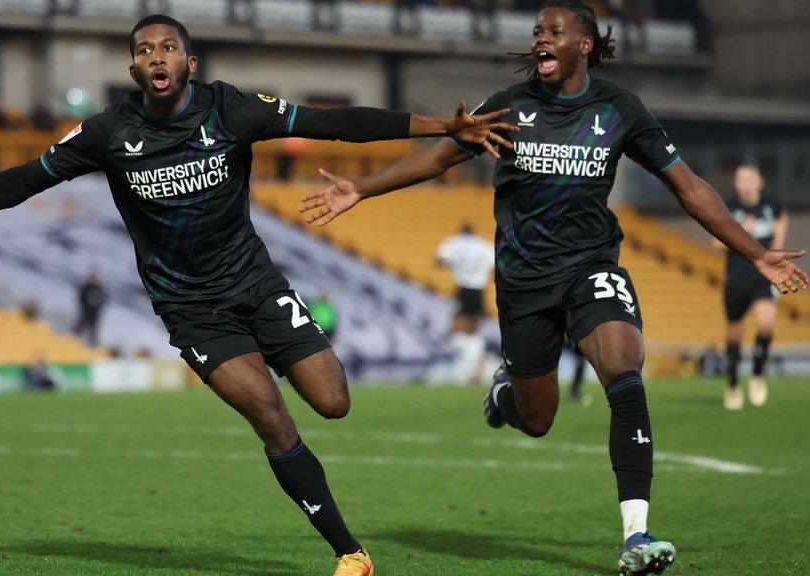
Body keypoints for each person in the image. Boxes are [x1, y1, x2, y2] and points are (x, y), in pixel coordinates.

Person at [0, 14, 513, 576]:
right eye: (143, 51)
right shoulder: (107, 133)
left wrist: (435, 125)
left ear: (188, 63)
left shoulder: (231, 108)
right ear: (135, 71)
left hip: (256, 283)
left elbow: (335, 120)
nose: (155, 56)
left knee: (333, 401)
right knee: (269, 415)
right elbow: (25, 179)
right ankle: (351, 553)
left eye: (167, 47)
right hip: (190, 309)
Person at [298, 2, 808, 574]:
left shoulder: (618, 109)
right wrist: (362, 189)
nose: (540, 38)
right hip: (523, 282)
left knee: (623, 367)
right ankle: (505, 392)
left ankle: (636, 536)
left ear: (584, 44)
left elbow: (688, 188)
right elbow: (439, 157)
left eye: (554, 31)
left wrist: (756, 252)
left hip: (591, 265)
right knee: (537, 419)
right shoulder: (509, 106)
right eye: (537, 31)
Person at [718, 164, 786, 410]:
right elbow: (714, 245)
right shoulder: (727, 207)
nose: (746, 184)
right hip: (736, 277)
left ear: (760, 182)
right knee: (735, 332)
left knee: (767, 324)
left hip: (762, 277)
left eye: (750, 179)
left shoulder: (773, 206)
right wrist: (739, 233)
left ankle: (757, 373)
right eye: (741, 180)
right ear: (735, 183)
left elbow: (779, 233)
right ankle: (733, 383)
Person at [437, 222, 494, 386]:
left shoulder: (455, 243)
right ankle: (477, 368)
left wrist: (451, 262)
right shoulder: (483, 245)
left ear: (461, 233)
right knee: (473, 331)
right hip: (479, 290)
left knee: (456, 331)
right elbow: (494, 265)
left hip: (464, 288)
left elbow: (441, 258)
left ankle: (476, 366)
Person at [75, 270, 108, 346]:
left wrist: (98, 308)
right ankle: (74, 338)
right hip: (86, 310)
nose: (93, 280)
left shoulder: (99, 288)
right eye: (92, 278)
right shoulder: (85, 287)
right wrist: (84, 306)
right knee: (80, 325)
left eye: (95, 278)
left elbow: (103, 300)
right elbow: (81, 297)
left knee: (93, 329)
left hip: (95, 312)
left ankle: (93, 344)